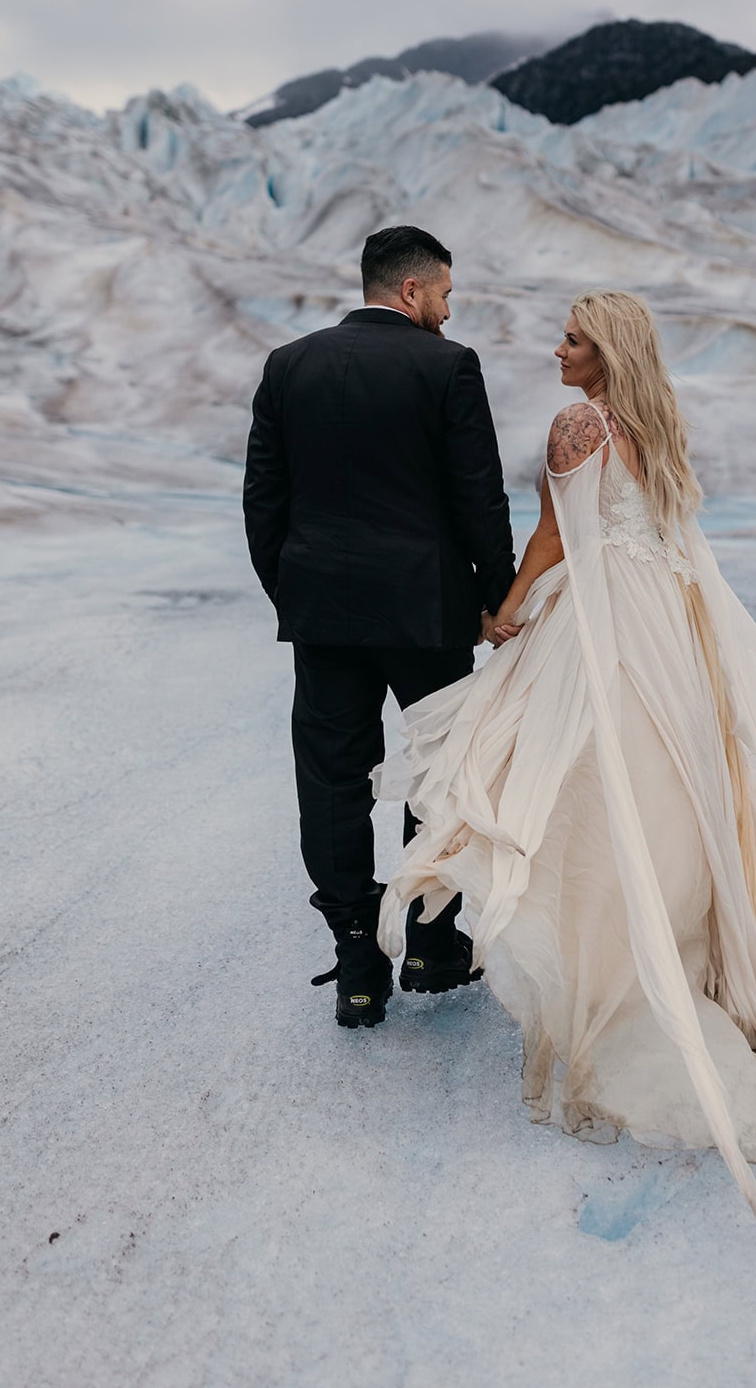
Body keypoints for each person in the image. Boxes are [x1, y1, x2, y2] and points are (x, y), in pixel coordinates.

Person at [375, 291, 756, 1386]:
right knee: (667, 804)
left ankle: (620, 986)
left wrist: (505, 608)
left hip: (601, 638)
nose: (555, 350)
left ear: (600, 354)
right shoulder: (656, 422)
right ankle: (690, 957)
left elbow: (560, 535)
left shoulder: (576, 427)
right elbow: (664, 540)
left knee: (580, 799)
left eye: (569, 338)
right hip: (670, 637)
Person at [243, 225, 514, 1029]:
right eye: (443, 294)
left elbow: (265, 498)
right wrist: (493, 597)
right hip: (427, 611)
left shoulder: (288, 365)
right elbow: (479, 496)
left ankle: (360, 961)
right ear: (410, 291)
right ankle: (431, 943)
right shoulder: (447, 366)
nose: (447, 309)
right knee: (438, 771)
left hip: (322, 610)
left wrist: (292, 589)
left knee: (330, 780)